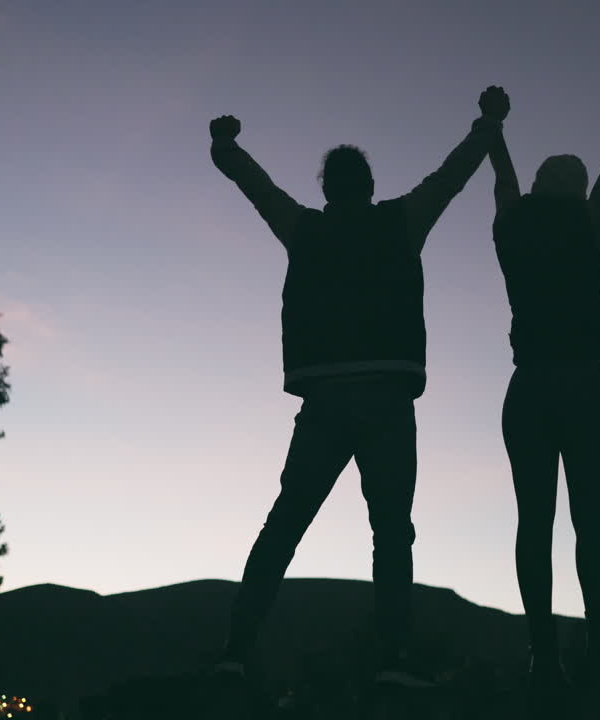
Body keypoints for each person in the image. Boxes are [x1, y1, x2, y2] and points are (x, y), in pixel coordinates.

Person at [207, 86, 510, 686]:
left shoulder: (303, 229)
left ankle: (236, 649)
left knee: (286, 523)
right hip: (387, 402)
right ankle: (393, 659)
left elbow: (254, 186)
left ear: (327, 188)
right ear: (368, 185)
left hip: (323, 402)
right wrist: (489, 123)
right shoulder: (403, 219)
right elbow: (453, 175)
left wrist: (225, 145)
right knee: (392, 531)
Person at [484, 71, 600, 693]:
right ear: (582, 190)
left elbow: (500, 177)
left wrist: (496, 127)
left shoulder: (511, 226)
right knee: (594, 521)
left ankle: (544, 656)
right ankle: (599, 651)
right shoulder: (591, 226)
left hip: (527, 389)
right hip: (583, 388)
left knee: (534, 522)